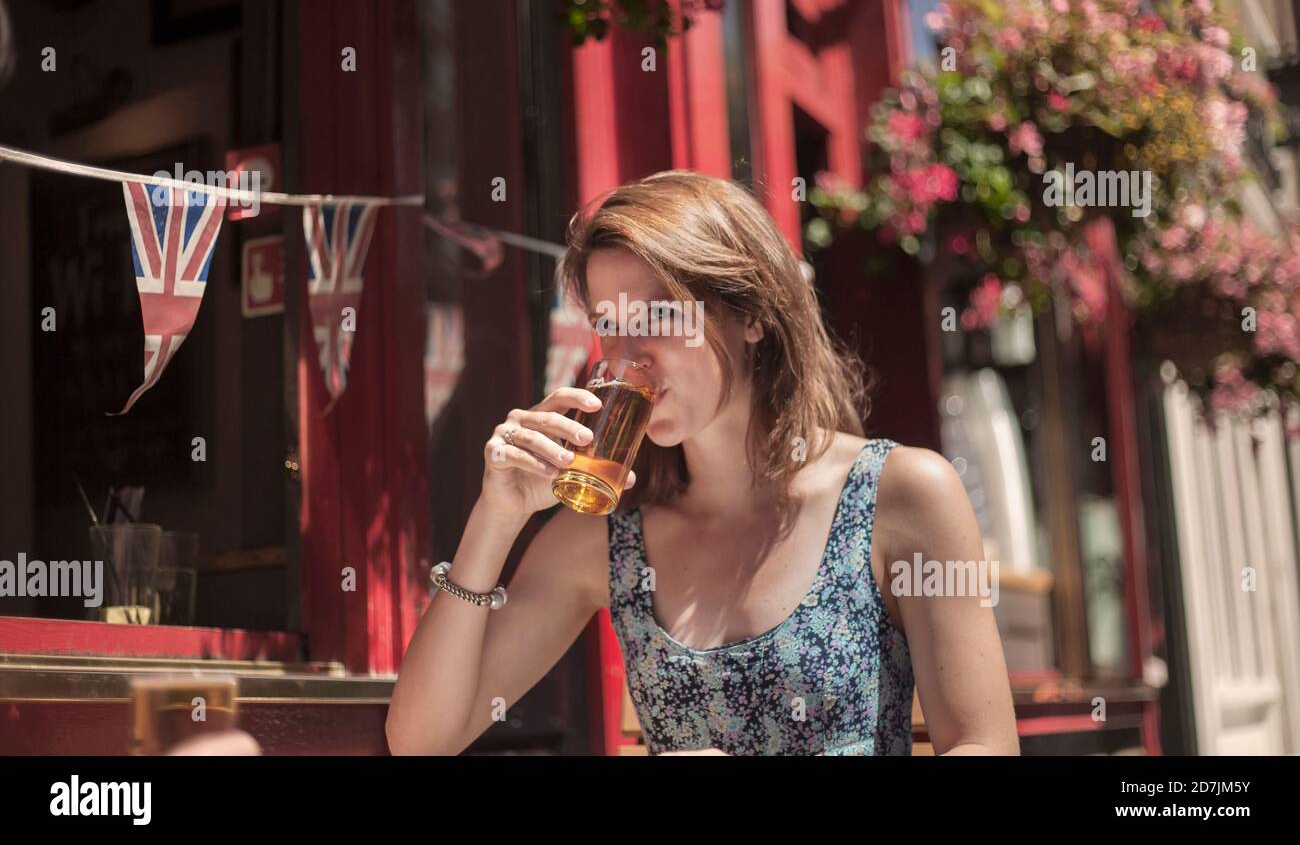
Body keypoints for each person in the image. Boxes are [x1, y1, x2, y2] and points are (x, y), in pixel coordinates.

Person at [387, 170, 1019, 755]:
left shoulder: (901, 493)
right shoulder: (608, 536)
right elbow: (420, 741)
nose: (628, 354)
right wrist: (495, 518)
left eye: (659, 315)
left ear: (751, 315)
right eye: (609, 323)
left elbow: (985, 746)